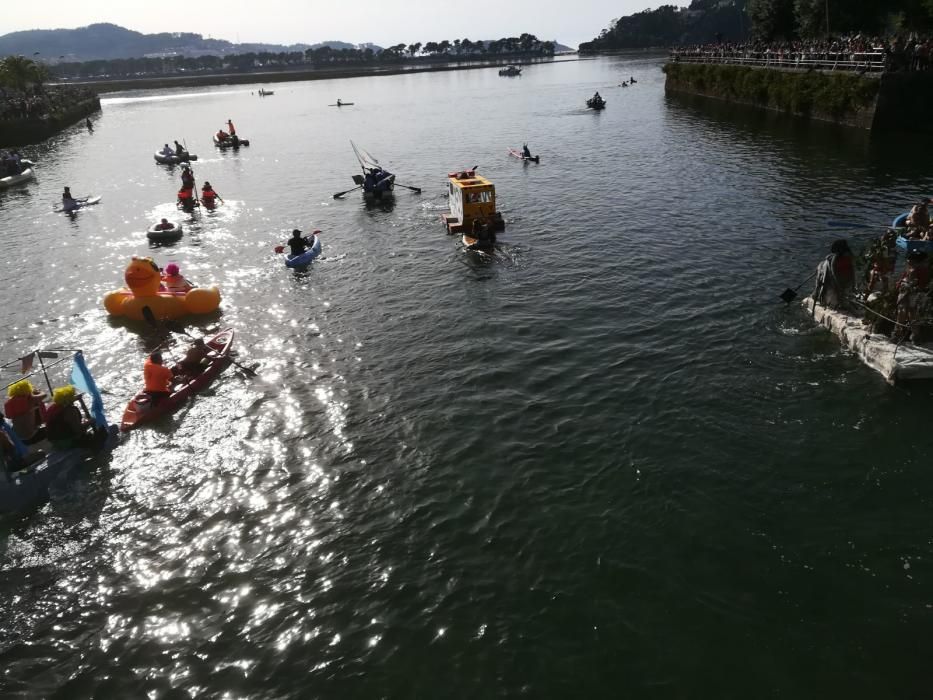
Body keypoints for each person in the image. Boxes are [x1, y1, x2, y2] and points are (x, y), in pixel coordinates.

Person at [44, 385, 98, 450]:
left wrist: (78, 398)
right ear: (70, 399)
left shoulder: (53, 407)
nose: (73, 397)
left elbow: (66, 400)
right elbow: (78, 430)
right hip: (67, 443)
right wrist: (91, 421)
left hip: (54, 442)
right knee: (94, 437)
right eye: (72, 396)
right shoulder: (70, 410)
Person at [813, 239, 854, 309]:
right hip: (833, 278)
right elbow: (833, 273)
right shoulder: (835, 259)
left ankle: (840, 301)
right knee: (833, 293)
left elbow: (852, 270)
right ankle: (816, 295)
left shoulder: (849, 257)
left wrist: (852, 282)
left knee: (842, 292)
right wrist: (837, 284)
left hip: (842, 277)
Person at [4, 379, 47, 444]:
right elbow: (44, 395)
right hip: (31, 435)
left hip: (19, 437)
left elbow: (8, 416)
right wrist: (38, 391)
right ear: (27, 389)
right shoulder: (30, 399)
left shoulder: (8, 404)